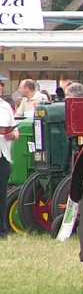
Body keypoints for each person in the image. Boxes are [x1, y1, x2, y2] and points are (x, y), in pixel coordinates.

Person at [0, 75, 19, 238]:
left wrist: (12, 135)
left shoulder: (5, 106)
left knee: (2, 193)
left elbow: (15, 130)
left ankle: (2, 230)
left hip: (3, 156)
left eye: (1, 84)